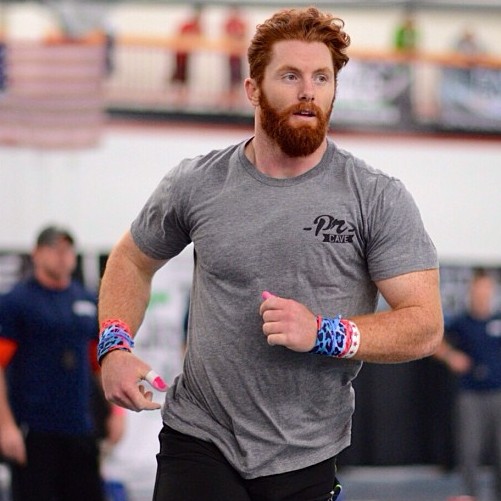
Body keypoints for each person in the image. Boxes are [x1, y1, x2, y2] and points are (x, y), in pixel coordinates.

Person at [98, 7, 443, 501]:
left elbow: (425, 324)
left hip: (306, 452)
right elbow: (132, 259)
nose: (308, 91)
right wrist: (114, 346)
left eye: (321, 77)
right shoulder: (198, 183)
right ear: (253, 89)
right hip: (199, 437)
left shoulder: (375, 197)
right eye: (290, 76)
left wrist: (324, 333)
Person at [0, 226, 124, 501]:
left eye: (67, 250)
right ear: (36, 253)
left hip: (80, 427)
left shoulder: (86, 301)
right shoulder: (16, 303)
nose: (62, 256)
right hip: (34, 430)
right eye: (54, 249)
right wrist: (5, 426)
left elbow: (101, 363)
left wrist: (116, 412)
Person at [435, 269, 501, 501]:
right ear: (471, 291)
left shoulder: (497, 320)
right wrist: (451, 356)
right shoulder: (462, 322)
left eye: (486, 289)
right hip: (470, 394)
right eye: (478, 289)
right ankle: (471, 495)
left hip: (497, 393)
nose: (482, 294)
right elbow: (435, 339)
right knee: (469, 449)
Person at [169, 5, 203, 104]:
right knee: (179, 73)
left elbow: (200, 37)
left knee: (184, 74)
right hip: (180, 53)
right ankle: (178, 96)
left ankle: (182, 97)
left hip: (188, 54)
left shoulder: (197, 25)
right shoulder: (186, 25)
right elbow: (180, 37)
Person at [222, 5, 247, 108]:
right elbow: (227, 35)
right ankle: (231, 98)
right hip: (231, 54)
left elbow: (243, 34)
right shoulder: (228, 23)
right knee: (231, 76)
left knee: (238, 75)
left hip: (238, 53)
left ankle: (237, 97)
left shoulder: (241, 23)